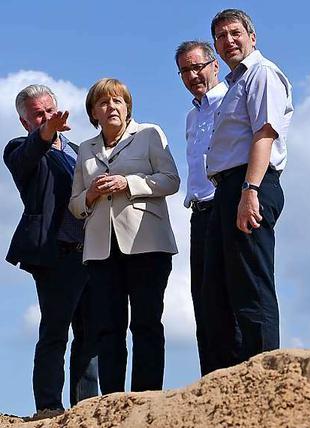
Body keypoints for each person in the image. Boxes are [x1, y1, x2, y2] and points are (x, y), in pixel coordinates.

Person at [68, 78, 179, 393]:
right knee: (107, 327)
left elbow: (171, 180)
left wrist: (129, 184)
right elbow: (75, 206)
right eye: (103, 103)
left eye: (118, 101)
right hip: (101, 249)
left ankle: (147, 396)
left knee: (146, 323)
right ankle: (113, 397)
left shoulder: (149, 135)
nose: (111, 107)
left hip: (147, 243)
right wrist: (89, 195)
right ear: (94, 113)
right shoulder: (86, 149)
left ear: (128, 107)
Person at [202, 8, 292, 372]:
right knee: (221, 289)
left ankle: (264, 372)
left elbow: (265, 133)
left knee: (252, 285)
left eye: (235, 33)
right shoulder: (234, 84)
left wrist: (250, 189)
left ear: (251, 36)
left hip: (250, 183)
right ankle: (233, 375)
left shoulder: (262, 74)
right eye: (220, 37)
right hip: (226, 190)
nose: (228, 41)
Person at [4, 85, 98, 416]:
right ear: (24, 121)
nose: (45, 118)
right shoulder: (20, 148)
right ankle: (48, 406)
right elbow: (28, 155)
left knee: (91, 335)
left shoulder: (79, 150)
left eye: (49, 111)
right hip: (56, 254)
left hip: (92, 252)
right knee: (55, 331)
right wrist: (45, 133)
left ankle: (86, 406)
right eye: (37, 115)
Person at [175, 39, 230, 376]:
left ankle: (237, 373)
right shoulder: (191, 116)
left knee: (229, 293)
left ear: (215, 65)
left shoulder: (231, 100)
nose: (193, 74)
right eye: (185, 70)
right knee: (203, 298)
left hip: (225, 203)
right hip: (199, 211)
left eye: (198, 66)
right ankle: (210, 377)